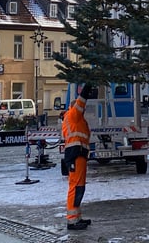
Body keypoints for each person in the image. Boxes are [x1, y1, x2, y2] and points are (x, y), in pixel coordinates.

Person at [62, 84, 95, 230]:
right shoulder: (73, 115)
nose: (84, 109)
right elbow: (81, 102)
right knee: (75, 186)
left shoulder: (76, 119)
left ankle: (76, 217)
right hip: (76, 154)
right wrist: (87, 87)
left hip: (78, 154)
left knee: (79, 186)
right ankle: (72, 220)